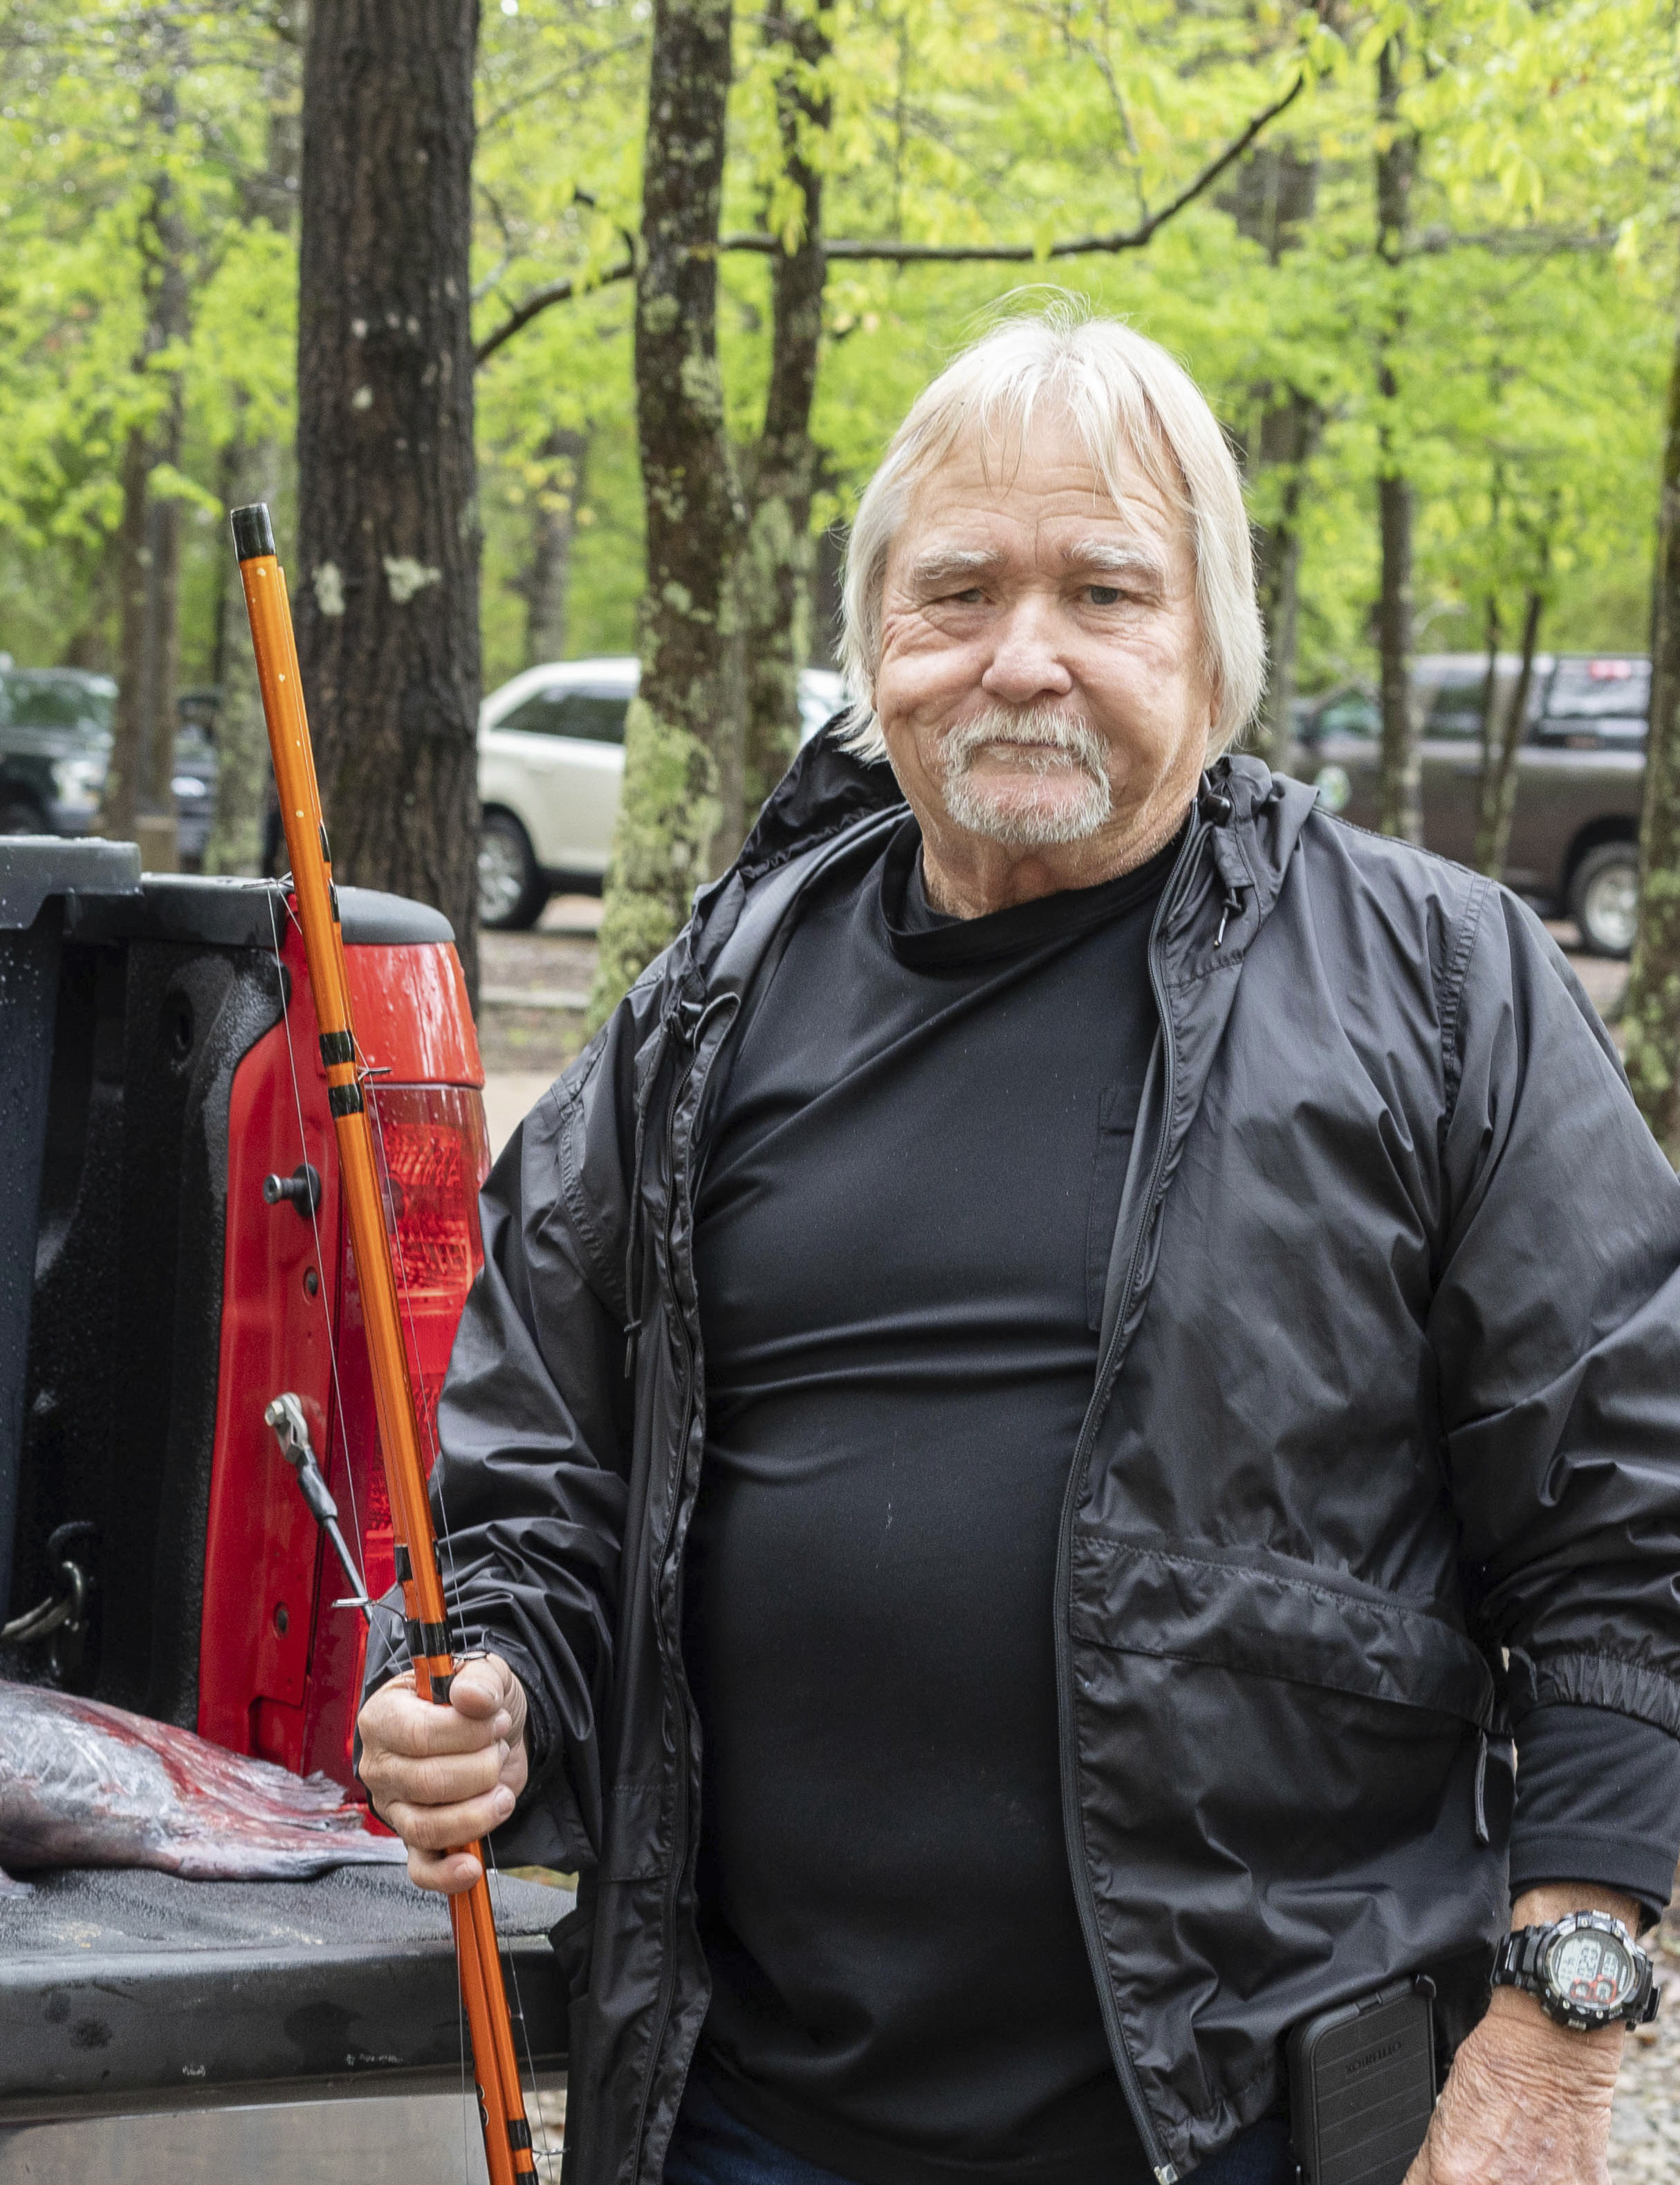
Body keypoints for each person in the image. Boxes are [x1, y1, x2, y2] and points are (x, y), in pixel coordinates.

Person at [362, 306, 1680, 2185]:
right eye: (957, 589)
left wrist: (1553, 2047)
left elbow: (1629, 1534)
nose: (1021, 658)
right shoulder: (705, 1010)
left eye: (1101, 592)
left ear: (1211, 645)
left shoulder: (1439, 987)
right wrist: (490, 1681)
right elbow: (532, 1477)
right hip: (746, 2120)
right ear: (873, 644)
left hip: (1245, 2127)